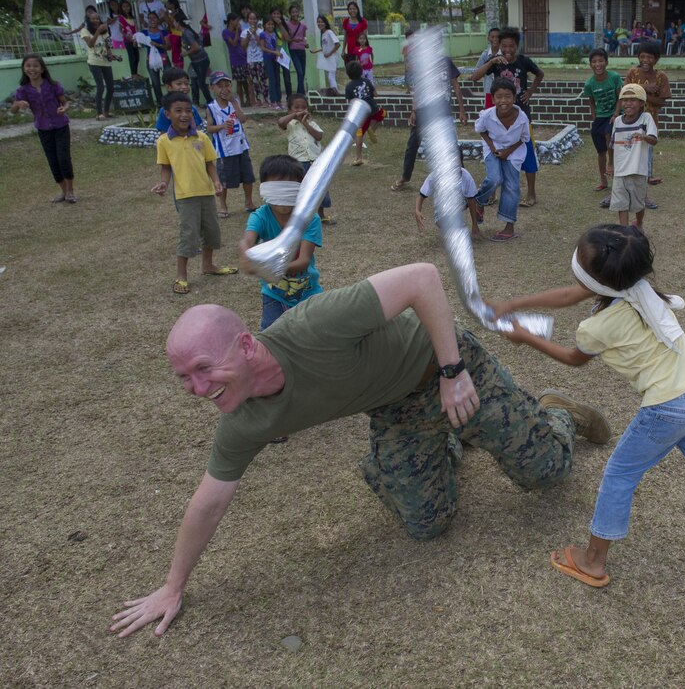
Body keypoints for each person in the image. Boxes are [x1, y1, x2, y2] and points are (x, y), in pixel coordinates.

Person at [108, 261, 610, 638]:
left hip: (445, 368)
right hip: (397, 406)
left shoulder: (314, 326)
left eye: (202, 368)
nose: (197, 389)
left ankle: (555, 414)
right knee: (426, 524)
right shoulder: (243, 418)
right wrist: (172, 586)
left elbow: (423, 278)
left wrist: (454, 372)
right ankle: (438, 445)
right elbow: (210, 500)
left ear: (244, 346)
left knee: (547, 472)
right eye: (184, 379)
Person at [490, 224, 685, 588]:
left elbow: (575, 359)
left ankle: (593, 562)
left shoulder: (596, 328)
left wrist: (525, 338)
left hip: (667, 407)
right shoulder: (638, 287)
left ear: (595, 277)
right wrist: (513, 305)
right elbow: (569, 294)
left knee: (619, 475)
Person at [151, 91, 236, 295]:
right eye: (178, 111)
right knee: (188, 235)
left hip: (206, 193)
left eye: (188, 111)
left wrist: (216, 181)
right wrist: (163, 183)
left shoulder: (202, 137)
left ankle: (208, 266)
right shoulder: (164, 141)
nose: (184, 115)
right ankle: (181, 276)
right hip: (185, 196)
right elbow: (165, 168)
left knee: (212, 231)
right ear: (167, 114)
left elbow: (209, 163)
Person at [241, 155, 323, 330]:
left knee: (313, 336)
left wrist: (267, 266)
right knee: (271, 336)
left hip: (308, 293)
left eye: (289, 187)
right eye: (277, 187)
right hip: (273, 295)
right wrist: (246, 253)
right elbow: (247, 240)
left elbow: (304, 261)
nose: (283, 196)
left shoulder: (309, 219)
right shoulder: (260, 216)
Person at [470, 26, 544, 207]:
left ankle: (531, 194)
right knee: (495, 152)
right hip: (499, 117)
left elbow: (540, 74)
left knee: (528, 154)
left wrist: (530, 92)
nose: (508, 50)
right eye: (504, 46)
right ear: (499, 45)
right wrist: (492, 61)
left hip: (521, 116)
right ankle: (492, 193)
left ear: (517, 46)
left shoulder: (524, 61)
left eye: (511, 46)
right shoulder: (496, 61)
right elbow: (474, 77)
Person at [391, 31, 466, 191]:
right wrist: (414, 110)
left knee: (452, 144)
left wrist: (461, 110)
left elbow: (456, 85)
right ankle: (405, 177)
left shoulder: (446, 61)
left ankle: (461, 177)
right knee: (413, 143)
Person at [10, 55, 76, 203]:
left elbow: (65, 103)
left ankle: (71, 190)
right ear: (24, 69)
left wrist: (63, 109)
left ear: (42, 69)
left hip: (61, 126)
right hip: (43, 129)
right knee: (53, 160)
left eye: (35, 66)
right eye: (28, 66)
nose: (31, 69)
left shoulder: (53, 85)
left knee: (63, 158)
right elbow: (13, 110)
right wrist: (18, 104)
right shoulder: (23, 90)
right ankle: (63, 191)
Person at [474, 78, 530, 241]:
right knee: (494, 179)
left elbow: (525, 138)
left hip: (514, 151)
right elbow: (481, 130)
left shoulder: (522, 118)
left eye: (507, 96)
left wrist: (508, 151)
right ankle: (479, 201)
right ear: (493, 98)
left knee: (512, 187)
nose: (503, 101)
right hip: (493, 148)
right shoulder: (487, 115)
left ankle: (508, 228)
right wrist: (493, 148)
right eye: (498, 97)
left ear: (514, 97)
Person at [278, 93, 336, 224]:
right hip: (298, 162)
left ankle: (321, 215)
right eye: (296, 107)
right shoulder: (290, 124)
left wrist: (306, 123)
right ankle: (299, 217)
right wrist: (294, 116)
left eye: (304, 107)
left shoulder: (312, 123)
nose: (300, 110)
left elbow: (319, 136)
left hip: (315, 161)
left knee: (319, 188)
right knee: (300, 189)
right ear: (290, 110)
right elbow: (280, 123)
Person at [205, 71, 256, 218]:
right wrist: (221, 126)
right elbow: (209, 128)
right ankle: (223, 205)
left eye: (227, 85)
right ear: (212, 88)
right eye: (219, 86)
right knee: (224, 179)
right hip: (224, 150)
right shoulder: (211, 107)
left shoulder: (235, 103)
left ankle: (248, 201)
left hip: (241, 146)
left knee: (247, 176)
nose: (224, 89)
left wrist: (234, 102)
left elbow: (243, 119)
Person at [624, 41, 670, 197]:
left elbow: (661, 102)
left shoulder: (661, 77)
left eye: (649, 57)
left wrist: (647, 95)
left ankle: (647, 176)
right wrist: (644, 88)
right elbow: (626, 93)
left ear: (656, 59)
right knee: (629, 148)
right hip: (630, 120)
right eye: (642, 56)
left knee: (647, 150)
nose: (645, 60)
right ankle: (629, 176)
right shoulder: (632, 74)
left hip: (650, 120)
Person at [608, 84, 657, 228]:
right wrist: (610, 164)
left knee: (638, 203)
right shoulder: (617, 121)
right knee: (620, 203)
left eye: (633, 100)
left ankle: (639, 224)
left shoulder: (646, 118)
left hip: (638, 169)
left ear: (641, 103)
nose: (628, 103)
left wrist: (644, 136)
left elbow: (654, 140)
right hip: (620, 170)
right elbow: (612, 144)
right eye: (624, 100)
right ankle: (625, 231)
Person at [582, 48, 622, 192]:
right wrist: (594, 117)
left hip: (615, 115)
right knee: (600, 152)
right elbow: (591, 102)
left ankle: (611, 163)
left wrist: (616, 114)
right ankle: (603, 180)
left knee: (608, 133)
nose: (597, 64)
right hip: (600, 116)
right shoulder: (589, 84)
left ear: (606, 62)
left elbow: (620, 97)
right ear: (590, 64)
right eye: (594, 61)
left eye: (600, 61)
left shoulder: (614, 77)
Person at [414, 157, 483, 240]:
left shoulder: (466, 176)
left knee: (472, 197)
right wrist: (417, 211)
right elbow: (421, 196)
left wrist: (475, 225)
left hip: (459, 201)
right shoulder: (435, 176)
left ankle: (477, 202)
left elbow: (471, 199)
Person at [344, 60, 385, 166]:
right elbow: (375, 94)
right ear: (361, 71)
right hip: (372, 109)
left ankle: (358, 158)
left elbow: (351, 102)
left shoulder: (348, 86)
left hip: (361, 112)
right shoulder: (366, 81)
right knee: (382, 114)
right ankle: (372, 129)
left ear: (348, 74)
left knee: (359, 133)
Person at [81, 9, 116, 120]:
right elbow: (90, 44)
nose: (96, 21)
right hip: (94, 62)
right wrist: (97, 32)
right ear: (89, 20)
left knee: (110, 87)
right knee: (100, 86)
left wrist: (110, 55)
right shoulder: (85, 31)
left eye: (97, 18)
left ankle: (106, 111)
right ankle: (98, 113)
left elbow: (107, 45)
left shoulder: (104, 31)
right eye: (93, 19)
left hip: (105, 62)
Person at [154, 67, 205, 133]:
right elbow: (163, 134)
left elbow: (197, 129)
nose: (184, 87)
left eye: (186, 84)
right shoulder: (165, 111)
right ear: (168, 87)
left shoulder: (192, 109)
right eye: (179, 84)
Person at [178, 15, 214, 107]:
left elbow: (196, 47)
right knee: (197, 81)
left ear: (178, 23)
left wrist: (185, 53)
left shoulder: (187, 33)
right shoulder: (186, 33)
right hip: (196, 61)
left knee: (201, 82)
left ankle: (210, 102)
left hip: (200, 60)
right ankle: (202, 101)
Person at [222, 13, 251, 106]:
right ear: (231, 21)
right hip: (235, 58)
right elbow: (233, 43)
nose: (238, 23)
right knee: (239, 81)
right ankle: (241, 101)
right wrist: (237, 31)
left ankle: (248, 100)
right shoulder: (226, 32)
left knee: (245, 80)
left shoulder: (241, 31)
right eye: (236, 21)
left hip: (244, 57)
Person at [140, 12, 169, 105]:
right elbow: (137, 43)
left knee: (169, 80)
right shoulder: (143, 33)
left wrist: (157, 45)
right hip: (151, 60)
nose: (152, 20)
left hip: (164, 59)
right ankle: (161, 104)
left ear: (158, 20)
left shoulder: (164, 32)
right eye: (150, 18)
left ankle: (171, 101)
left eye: (154, 18)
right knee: (155, 83)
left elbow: (168, 46)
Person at [243, 12, 269, 107]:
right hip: (250, 59)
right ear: (247, 20)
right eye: (250, 19)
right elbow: (243, 46)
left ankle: (266, 100)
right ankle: (258, 100)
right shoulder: (244, 31)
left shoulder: (261, 31)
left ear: (257, 20)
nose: (252, 21)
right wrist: (248, 37)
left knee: (263, 80)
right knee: (254, 81)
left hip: (260, 58)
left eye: (254, 19)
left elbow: (262, 44)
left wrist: (255, 33)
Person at [257, 17, 283, 110]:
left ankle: (279, 100)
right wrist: (274, 52)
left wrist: (278, 53)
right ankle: (273, 101)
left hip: (275, 59)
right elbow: (263, 48)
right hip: (268, 58)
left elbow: (275, 46)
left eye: (272, 24)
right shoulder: (262, 34)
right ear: (265, 25)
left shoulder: (274, 34)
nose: (270, 26)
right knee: (272, 79)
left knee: (277, 79)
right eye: (268, 24)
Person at [311, 15, 341, 93]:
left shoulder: (329, 32)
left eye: (322, 22)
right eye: (318, 22)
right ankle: (334, 92)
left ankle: (335, 93)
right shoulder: (323, 33)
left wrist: (329, 54)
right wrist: (316, 51)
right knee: (330, 76)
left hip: (332, 57)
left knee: (331, 76)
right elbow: (326, 47)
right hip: (328, 58)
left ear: (325, 23)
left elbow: (337, 44)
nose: (320, 24)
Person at [283, 4, 308, 95]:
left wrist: (306, 43)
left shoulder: (303, 25)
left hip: (302, 50)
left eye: (296, 11)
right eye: (293, 12)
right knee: (300, 72)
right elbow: (286, 37)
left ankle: (299, 92)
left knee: (302, 73)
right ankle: (302, 94)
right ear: (290, 13)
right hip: (293, 50)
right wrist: (293, 40)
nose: (295, 13)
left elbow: (304, 36)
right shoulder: (287, 24)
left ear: (299, 12)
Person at [475, 27, 501, 108]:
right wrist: (489, 63)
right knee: (490, 116)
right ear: (488, 38)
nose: (495, 39)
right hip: (489, 93)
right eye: (492, 37)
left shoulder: (505, 54)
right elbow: (476, 75)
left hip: (503, 92)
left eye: (497, 37)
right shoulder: (485, 55)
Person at [270, 8, 292, 96]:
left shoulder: (284, 25)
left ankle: (289, 97)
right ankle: (277, 98)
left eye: (278, 14)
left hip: (285, 55)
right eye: (274, 13)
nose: (276, 16)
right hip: (275, 55)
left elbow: (288, 39)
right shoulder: (270, 26)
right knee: (276, 78)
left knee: (287, 78)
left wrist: (280, 25)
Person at [115, 0, 140, 78]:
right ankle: (133, 74)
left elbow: (135, 28)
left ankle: (135, 72)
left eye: (127, 6)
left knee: (137, 57)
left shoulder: (131, 17)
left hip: (134, 39)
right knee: (132, 57)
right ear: (121, 8)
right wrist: (126, 36)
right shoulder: (121, 17)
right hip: (128, 40)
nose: (126, 8)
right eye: (124, 6)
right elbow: (120, 29)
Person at [341, 1, 368, 66]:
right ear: (348, 10)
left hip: (360, 50)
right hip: (350, 50)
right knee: (351, 70)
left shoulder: (363, 21)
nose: (352, 10)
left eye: (354, 9)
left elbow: (364, 38)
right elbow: (345, 37)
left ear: (357, 10)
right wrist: (343, 51)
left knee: (361, 71)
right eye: (350, 9)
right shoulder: (346, 21)